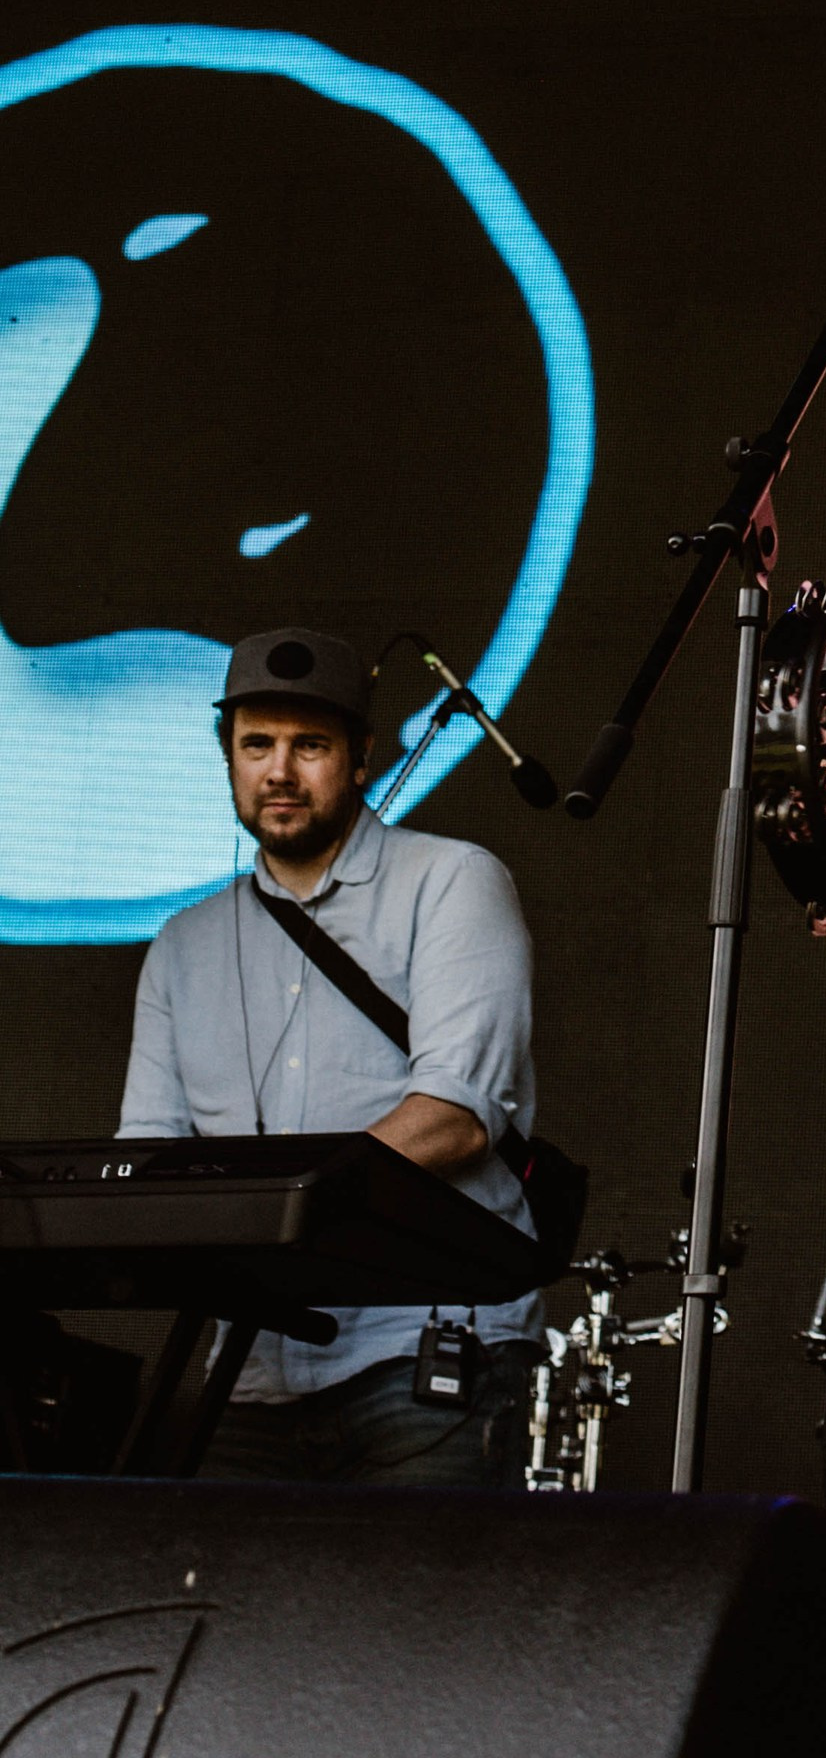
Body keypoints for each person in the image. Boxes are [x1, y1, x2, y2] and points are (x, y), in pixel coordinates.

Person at [118, 625, 541, 1483]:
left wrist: (285, 1203)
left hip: (423, 1344)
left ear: (361, 758)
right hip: (249, 1373)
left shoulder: (453, 880)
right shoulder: (182, 946)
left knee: (422, 1578)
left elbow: (456, 1120)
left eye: (308, 745)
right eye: (257, 745)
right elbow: (146, 1158)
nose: (279, 770)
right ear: (228, 757)